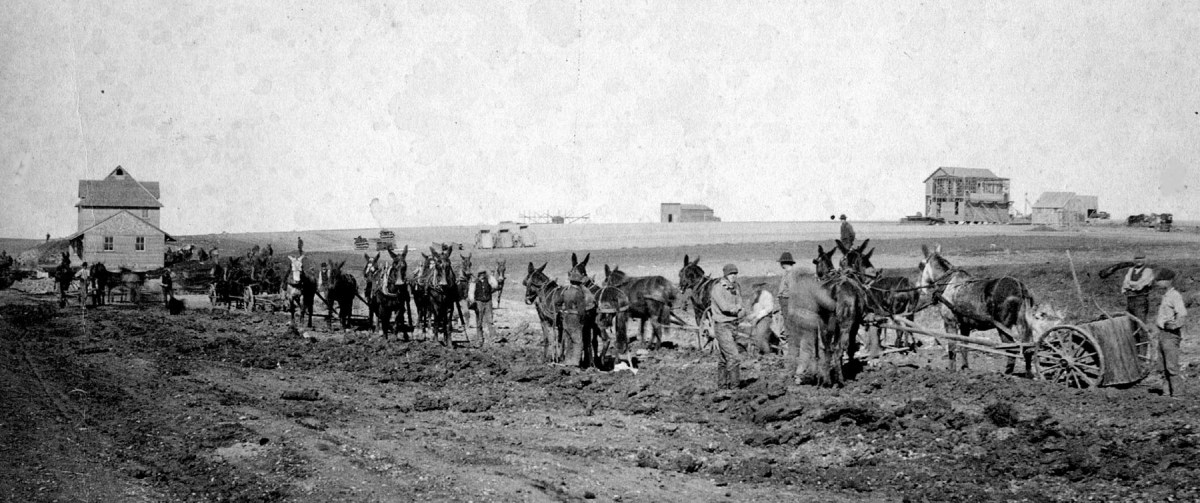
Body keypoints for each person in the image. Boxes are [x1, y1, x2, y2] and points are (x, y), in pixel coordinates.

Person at [783, 267, 838, 384]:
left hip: (794, 320)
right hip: (809, 320)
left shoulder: (795, 287)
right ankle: (800, 374)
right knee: (809, 348)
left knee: (795, 347)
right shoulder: (812, 285)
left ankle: (790, 371)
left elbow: (789, 309)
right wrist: (836, 306)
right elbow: (826, 302)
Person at [711, 264, 745, 389]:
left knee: (724, 358)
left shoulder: (736, 287)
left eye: (735, 274)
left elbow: (741, 304)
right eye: (731, 274)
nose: (734, 276)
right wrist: (738, 309)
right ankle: (735, 387)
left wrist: (739, 309)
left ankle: (722, 386)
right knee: (734, 356)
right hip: (722, 326)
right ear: (725, 275)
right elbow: (725, 308)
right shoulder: (718, 288)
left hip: (733, 325)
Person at [1153, 268, 1187, 397]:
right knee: (1162, 366)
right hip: (1162, 334)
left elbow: (1182, 313)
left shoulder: (1175, 295)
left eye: (1161, 280)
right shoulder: (1166, 296)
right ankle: (1166, 393)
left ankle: (1178, 394)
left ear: (1169, 281)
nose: (1158, 283)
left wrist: (1175, 325)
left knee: (1172, 366)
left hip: (1170, 335)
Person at [559, 267, 596, 367]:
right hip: (575, 319)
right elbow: (581, 310)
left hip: (566, 318)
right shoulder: (578, 292)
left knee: (569, 341)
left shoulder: (566, 291)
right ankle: (575, 363)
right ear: (579, 283)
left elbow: (559, 303)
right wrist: (583, 319)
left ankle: (568, 361)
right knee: (578, 342)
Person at [1122, 252, 1155, 322]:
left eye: (1141, 258)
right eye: (1136, 258)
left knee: (1140, 322)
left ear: (1145, 260)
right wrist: (1132, 284)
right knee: (1129, 322)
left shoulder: (1148, 270)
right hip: (1130, 299)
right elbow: (1124, 284)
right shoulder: (1131, 270)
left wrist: (1130, 284)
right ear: (1134, 260)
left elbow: (1139, 286)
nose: (1138, 260)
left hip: (1141, 300)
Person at [748, 281, 777, 356]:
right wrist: (752, 316)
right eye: (754, 287)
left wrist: (757, 317)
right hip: (758, 319)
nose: (755, 288)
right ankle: (759, 353)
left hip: (766, 318)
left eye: (757, 286)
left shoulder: (766, 295)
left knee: (760, 336)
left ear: (760, 286)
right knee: (755, 338)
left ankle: (768, 355)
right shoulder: (755, 296)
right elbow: (756, 310)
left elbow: (768, 309)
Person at [472, 269, 499, 346]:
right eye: (481, 274)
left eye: (484, 273)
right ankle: (480, 339)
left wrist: (490, 276)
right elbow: (471, 292)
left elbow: (495, 285)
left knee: (490, 320)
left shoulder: (489, 281)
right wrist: (473, 302)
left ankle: (493, 337)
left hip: (488, 302)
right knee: (479, 322)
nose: (482, 275)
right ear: (478, 275)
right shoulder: (474, 283)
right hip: (479, 302)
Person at [776, 252, 796, 337]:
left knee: (789, 323)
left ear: (784, 263)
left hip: (787, 301)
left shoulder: (790, 274)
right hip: (784, 301)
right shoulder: (787, 273)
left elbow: (792, 290)